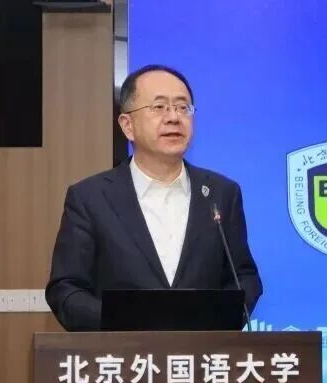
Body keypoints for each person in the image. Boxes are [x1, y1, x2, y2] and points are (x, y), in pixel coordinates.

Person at [46, 64, 262, 331]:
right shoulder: (90, 198)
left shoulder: (221, 193)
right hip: (121, 353)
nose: (174, 117)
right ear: (128, 126)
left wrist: (216, 320)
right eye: (159, 107)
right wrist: (122, 323)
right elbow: (66, 289)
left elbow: (244, 276)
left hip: (204, 352)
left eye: (183, 107)